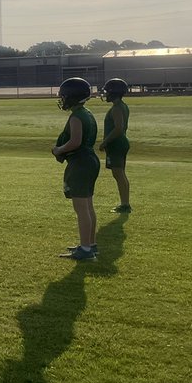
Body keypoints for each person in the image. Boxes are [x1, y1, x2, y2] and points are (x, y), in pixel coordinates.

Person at [51, 77, 99, 260]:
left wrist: (59, 149)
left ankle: (85, 250)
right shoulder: (87, 113)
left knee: (81, 208)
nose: (62, 100)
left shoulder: (76, 116)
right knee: (88, 205)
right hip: (90, 160)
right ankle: (90, 244)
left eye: (64, 96)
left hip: (80, 162)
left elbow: (75, 142)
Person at [98, 77, 131, 213]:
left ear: (113, 92)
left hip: (116, 144)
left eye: (107, 92)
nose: (106, 94)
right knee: (120, 174)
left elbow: (118, 128)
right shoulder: (122, 106)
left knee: (119, 174)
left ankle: (125, 204)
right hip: (119, 143)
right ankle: (125, 203)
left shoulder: (117, 108)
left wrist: (104, 142)